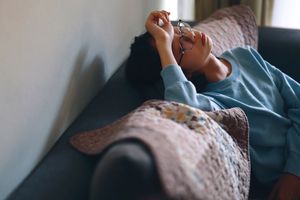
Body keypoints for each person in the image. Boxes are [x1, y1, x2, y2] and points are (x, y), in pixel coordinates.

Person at [126, 10, 300, 200]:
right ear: (183, 72)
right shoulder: (214, 103)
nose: (191, 35)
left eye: (180, 30)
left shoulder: (245, 55)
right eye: (181, 44)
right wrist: (163, 44)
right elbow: (183, 104)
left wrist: (294, 171)